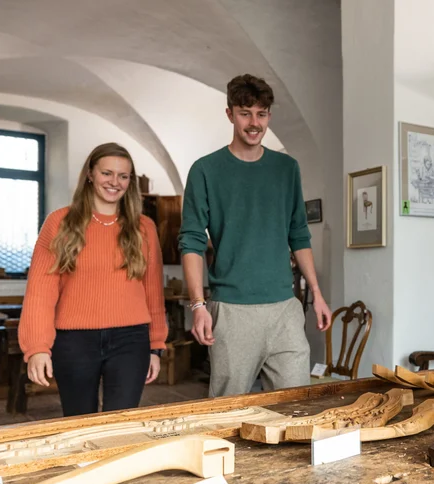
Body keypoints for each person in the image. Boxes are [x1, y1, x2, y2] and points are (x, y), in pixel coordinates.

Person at [178, 74, 331, 397]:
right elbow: (191, 240)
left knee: (294, 405)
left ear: (269, 117)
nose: (254, 122)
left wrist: (316, 293)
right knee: (227, 409)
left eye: (261, 114)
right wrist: (198, 305)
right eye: (245, 113)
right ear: (230, 114)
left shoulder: (286, 168)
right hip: (232, 311)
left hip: (285, 309)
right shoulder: (205, 170)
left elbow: (299, 234)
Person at [19, 143, 167, 416]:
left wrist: (156, 346)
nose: (115, 182)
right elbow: (41, 291)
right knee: (78, 421)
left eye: (123, 176)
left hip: (130, 341)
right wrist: (37, 347)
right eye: (107, 173)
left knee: (121, 424)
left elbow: (152, 292)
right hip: (74, 342)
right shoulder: (59, 222)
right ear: (90, 173)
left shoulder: (144, 227)